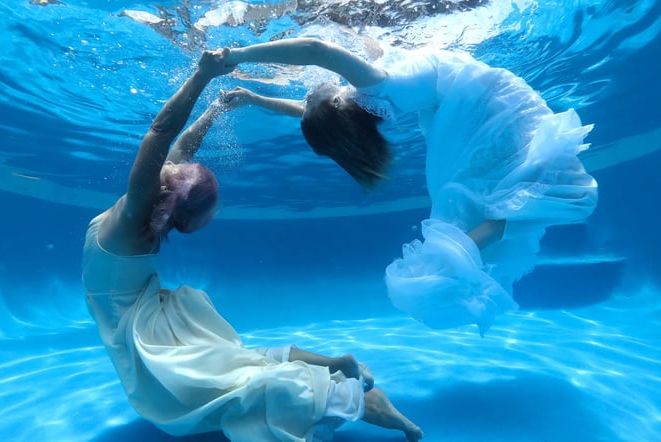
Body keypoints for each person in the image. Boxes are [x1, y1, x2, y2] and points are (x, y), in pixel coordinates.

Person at [81, 51, 423, 441]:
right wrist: (213, 109)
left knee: (223, 388)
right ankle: (335, 364)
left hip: (137, 322)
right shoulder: (154, 202)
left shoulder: (138, 210)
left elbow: (161, 131)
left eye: (176, 165)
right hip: (145, 304)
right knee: (237, 359)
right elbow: (179, 148)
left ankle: (345, 398)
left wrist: (202, 76)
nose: (173, 162)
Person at [215, 38, 598, 335]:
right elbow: (318, 51)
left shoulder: (357, 102)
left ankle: (458, 253)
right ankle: (451, 259)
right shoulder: (371, 86)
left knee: (495, 192)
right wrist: (237, 55)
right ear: (334, 104)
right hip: (482, 103)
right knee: (538, 187)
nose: (307, 92)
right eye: (314, 95)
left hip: (472, 109)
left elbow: (308, 112)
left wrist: (253, 97)